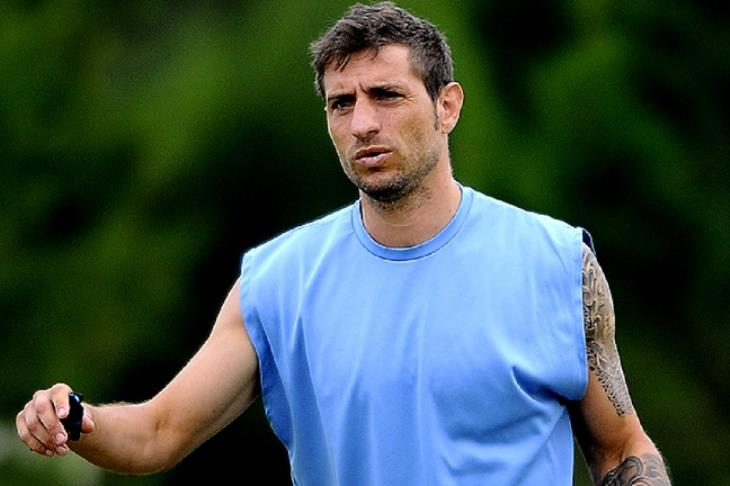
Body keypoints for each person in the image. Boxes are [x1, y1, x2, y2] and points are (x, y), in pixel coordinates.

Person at [16, 2, 671, 484]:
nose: (362, 123)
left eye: (386, 95)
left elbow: (621, 448)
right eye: (341, 103)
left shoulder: (556, 264)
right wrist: (75, 421)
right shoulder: (277, 284)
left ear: (447, 105)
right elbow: (159, 433)